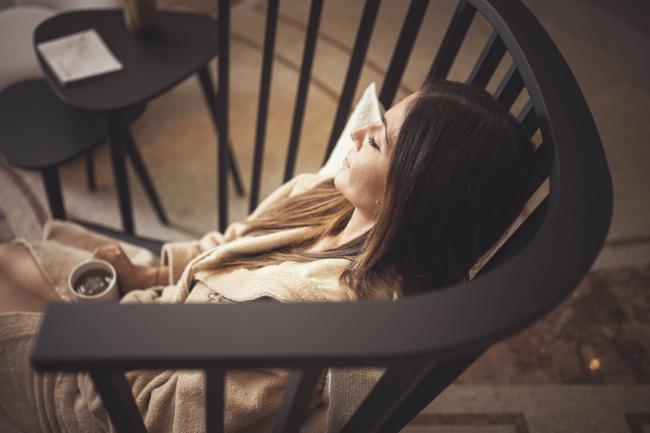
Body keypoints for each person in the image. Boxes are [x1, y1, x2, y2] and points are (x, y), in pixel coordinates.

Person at [0, 79, 535, 433]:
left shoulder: (302, 328)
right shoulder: (328, 195)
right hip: (154, 309)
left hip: (120, 393)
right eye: (377, 119)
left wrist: (102, 334)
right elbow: (235, 238)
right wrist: (145, 272)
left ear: (418, 194)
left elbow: (158, 418)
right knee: (10, 260)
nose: (360, 130)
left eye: (377, 142)